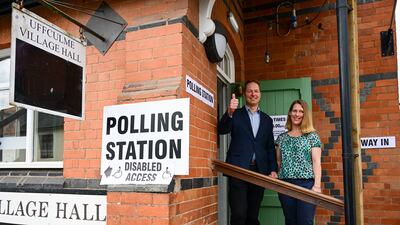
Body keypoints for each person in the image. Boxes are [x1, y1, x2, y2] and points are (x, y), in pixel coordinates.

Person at [218, 80, 278, 225]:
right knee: (238, 215)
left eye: (256, 91)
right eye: (250, 91)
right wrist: (229, 112)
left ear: (260, 94)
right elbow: (222, 129)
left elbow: (270, 147)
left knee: (252, 216)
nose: (253, 94)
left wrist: (273, 169)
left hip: (259, 172)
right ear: (245, 94)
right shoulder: (236, 114)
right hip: (238, 169)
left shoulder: (267, 120)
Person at [275, 99, 322, 225]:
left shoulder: (312, 136)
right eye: (294, 111)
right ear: (290, 113)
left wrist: (317, 186)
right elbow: (278, 162)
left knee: (305, 221)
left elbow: (316, 162)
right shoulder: (281, 138)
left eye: (301, 111)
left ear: (305, 115)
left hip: (306, 185)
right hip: (286, 185)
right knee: (290, 221)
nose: (297, 114)